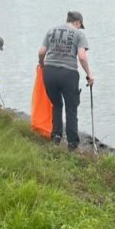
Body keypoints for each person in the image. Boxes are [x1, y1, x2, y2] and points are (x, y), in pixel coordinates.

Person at [37, 11, 94, 150]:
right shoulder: (79, 34)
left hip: (49, 71)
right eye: (80, 25)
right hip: (68, 73)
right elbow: (81, 56)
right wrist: (89, 74)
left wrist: (42, 64)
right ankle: (72, 143)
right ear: (78, 22)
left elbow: (41, 52)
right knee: (71, 108)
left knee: (56, 105)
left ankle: (56, 136)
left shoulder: (51, 30)